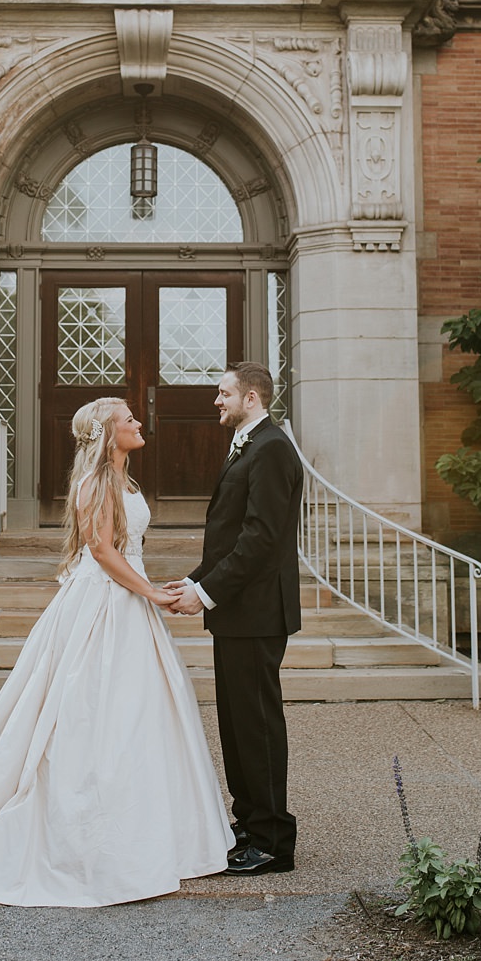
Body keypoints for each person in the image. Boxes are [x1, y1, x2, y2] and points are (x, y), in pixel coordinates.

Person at [0, 398, 233, 906]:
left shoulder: (127, 483)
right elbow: (101, 552)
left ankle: (150, 827)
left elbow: (123, 547)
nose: (139, 422)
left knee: (138, 711)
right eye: (128, 420)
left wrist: (149, 590)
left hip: (129, 604)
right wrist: (149, 593)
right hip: (102, 604)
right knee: (84, 710)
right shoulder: (94, 483)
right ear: (107, 433)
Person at [166, 363, 303, 876]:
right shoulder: (253, 443)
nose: (215, 401)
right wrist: (194, 581)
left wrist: (206, 594)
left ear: (250, 396)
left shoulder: (271, 448)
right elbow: (230, 536)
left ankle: (272, 840)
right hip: (239, 613)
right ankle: (248, 823)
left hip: (257, 612)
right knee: (238, 724)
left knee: (257, 726)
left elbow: (261, 539)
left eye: (223, 393)